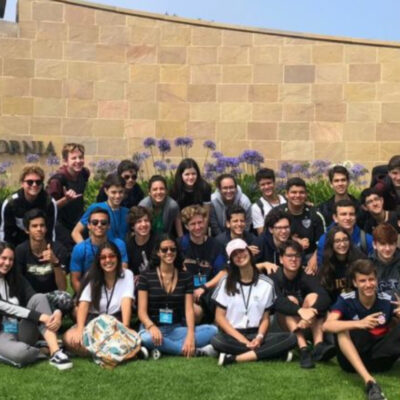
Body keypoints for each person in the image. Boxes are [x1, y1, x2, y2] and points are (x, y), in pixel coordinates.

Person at [211, 238, 297, 366]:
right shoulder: (225, 282)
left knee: (291, 338)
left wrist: (259, 338)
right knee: (217, 340)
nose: (239, 256)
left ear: (249, 252)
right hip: (233, 335)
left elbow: (265, 318)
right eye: (234, 254)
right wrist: (243, 340)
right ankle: (272, 353)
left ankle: (234, 358)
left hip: (257, 334)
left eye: (242, 251)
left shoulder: (267, 283)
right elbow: (219, 317)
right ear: (231, 260)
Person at [323, 259, 400, 400]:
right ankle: (370, 382)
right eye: (363, 281)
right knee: (342, 328)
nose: (368, 284)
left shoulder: (387, 300)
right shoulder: (346, 299)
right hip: (350, 361)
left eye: (371, 279)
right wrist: (359, 323)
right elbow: (327, 326)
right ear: (355, 283)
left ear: (376, 280)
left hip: (379, 359)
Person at [137, 234, 218, 357]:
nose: (169, 252)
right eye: (164, 250)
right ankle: (192, 351)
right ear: (158, 252)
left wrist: (190, 335)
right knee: (145, 338)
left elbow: (189, 310)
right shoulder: (146, 277)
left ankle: (163, 347)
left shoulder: (186, 277)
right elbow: (141, 312)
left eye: (173, 249)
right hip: (151, 328)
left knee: (213, 330)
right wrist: (151, 327)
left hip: (176, 329)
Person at [0, 242, 72, 370]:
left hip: (19, 330)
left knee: (39, 297)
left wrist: (56, 312)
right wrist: (39, 316)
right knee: (20, 353)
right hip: (2, 336)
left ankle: (55, 352)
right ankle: (42, 350)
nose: (7, 263)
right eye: (3, 258)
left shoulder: (16, 278)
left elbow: (36, 299)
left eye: (11, 259)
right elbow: (6, 307)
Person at [63, 242, 135, 356]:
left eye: (111, 256)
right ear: (98, 260)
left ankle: (100, 351)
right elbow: (84, 304)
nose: (108, 260)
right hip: (93, 321)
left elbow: (126, 301)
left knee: (132, 337)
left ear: (118, 258)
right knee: (69, 338)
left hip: (115, 322)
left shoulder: (127, 274)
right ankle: (114, 352)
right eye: (103, 257)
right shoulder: (92, 275)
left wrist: (125, 328)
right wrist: (80, 329)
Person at [271, 241, 334, 369]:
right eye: (289, 256)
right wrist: (300, 311)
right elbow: (277, 302)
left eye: (297, 256)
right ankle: (303, 349)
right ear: (281, 259)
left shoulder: (306, 275)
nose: (293, 259)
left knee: (313, 297)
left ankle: (318, 345)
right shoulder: (274, 277)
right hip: (282, 325)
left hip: (306, 323)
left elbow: (325, 296)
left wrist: (311, 312)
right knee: (290, 300)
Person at [179, 205, 226, 323]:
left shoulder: (215, 245)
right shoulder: (180, 244)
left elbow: (224, 272)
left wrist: (204, 287)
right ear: (186, 226)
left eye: (200, 222)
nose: (197, 227)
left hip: (208, 291)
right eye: (193, 224)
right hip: (185, 292)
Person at [70, 208, 128, 293]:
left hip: (114, 290)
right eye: (95, 222)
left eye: (103, 222)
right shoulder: (80, 249)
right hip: (87, 290)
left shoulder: (119, 245)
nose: (99, 225)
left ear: (109, 226)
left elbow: (123, 273)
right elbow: (75, 280)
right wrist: (84, 298)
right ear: (89, 225)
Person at [275, 177, 325, 271]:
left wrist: (315, 258)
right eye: (293, 192)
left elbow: (324, 240)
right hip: (283, 257)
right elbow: (270, 237)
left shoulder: (315, 215)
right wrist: (296, 240)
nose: (297, 195)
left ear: (306, 194)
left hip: (308, 257)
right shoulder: (277, 213)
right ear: (286, 194)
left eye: (301, 192)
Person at [0, 165, 57, 247]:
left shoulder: (49, 202)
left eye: (38, 182)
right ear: (22, 183)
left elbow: (51, 232)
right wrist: (7, 249)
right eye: (30, 182)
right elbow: (5, 232)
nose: (34, 185)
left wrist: (49, 249)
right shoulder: (11, 203)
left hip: (41, 245)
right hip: (16, 244)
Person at [46, 143, 89, 251]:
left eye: (80, 157)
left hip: (78, 221)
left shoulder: (84, 173)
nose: (78, 161)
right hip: (60, 225)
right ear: (65, 161)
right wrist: (66, 200)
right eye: (73, 158)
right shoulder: (57, 181)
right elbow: (49, 208)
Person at [14, 209, 68, 295]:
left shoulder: (58, 249)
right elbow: (17, 283)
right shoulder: (20, 251)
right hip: (30, 296)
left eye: (42, 225)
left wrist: (55, 263)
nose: (39, 229)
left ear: (46, 229)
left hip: (52, 295)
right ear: (27, 230)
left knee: (66, 298)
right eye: (34, 226)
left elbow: (62, 288)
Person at [72, 174, 129, 243]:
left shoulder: (127, 212)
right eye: (113, 192)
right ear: (106, 191)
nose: (117, 196)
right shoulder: (95, 208)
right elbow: (75, 232)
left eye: (120, 192)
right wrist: (85, 248)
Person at [317, 200, 373, 267]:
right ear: (335, 218)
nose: (348, 218)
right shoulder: (325, 240)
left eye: (351, 214)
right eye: (343, 214)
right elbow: (322, 268)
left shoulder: (367, 240)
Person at [319, 226, 367, 303]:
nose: (342, 244)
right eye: (337, 241)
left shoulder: (360, 261)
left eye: (345, 240)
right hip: (335, 305)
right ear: (331, 243)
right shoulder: (326, 264)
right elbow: (326, 292)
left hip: (358, 304)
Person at [170, 158, 212, 231]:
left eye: (193, 174)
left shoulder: (205, 188)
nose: (191, 177)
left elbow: (206, 214)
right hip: (182, 226)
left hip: (199, 226)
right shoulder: (175, 190)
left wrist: (202, 233)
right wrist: (181, 236)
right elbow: (177, 218)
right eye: (187, 174)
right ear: (181, 175)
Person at [251, 168, 286, 235]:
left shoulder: (285, 200)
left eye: (269, 183)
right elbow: (262, 233)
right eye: (263, 184)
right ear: (258, 186)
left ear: (274, 183)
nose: (266, 187)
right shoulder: (257, 207)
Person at [126, 206, 157, 278]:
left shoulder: (159, 241)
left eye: (146, 220)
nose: (144, 224)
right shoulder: (129, 245)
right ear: (132, 226)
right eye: (139, 221)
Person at [370, 223, 400, 296]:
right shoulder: (367, 265)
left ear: (396, 244)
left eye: (391, 244)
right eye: (383, 244)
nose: (387, 249)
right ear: (374, 245)